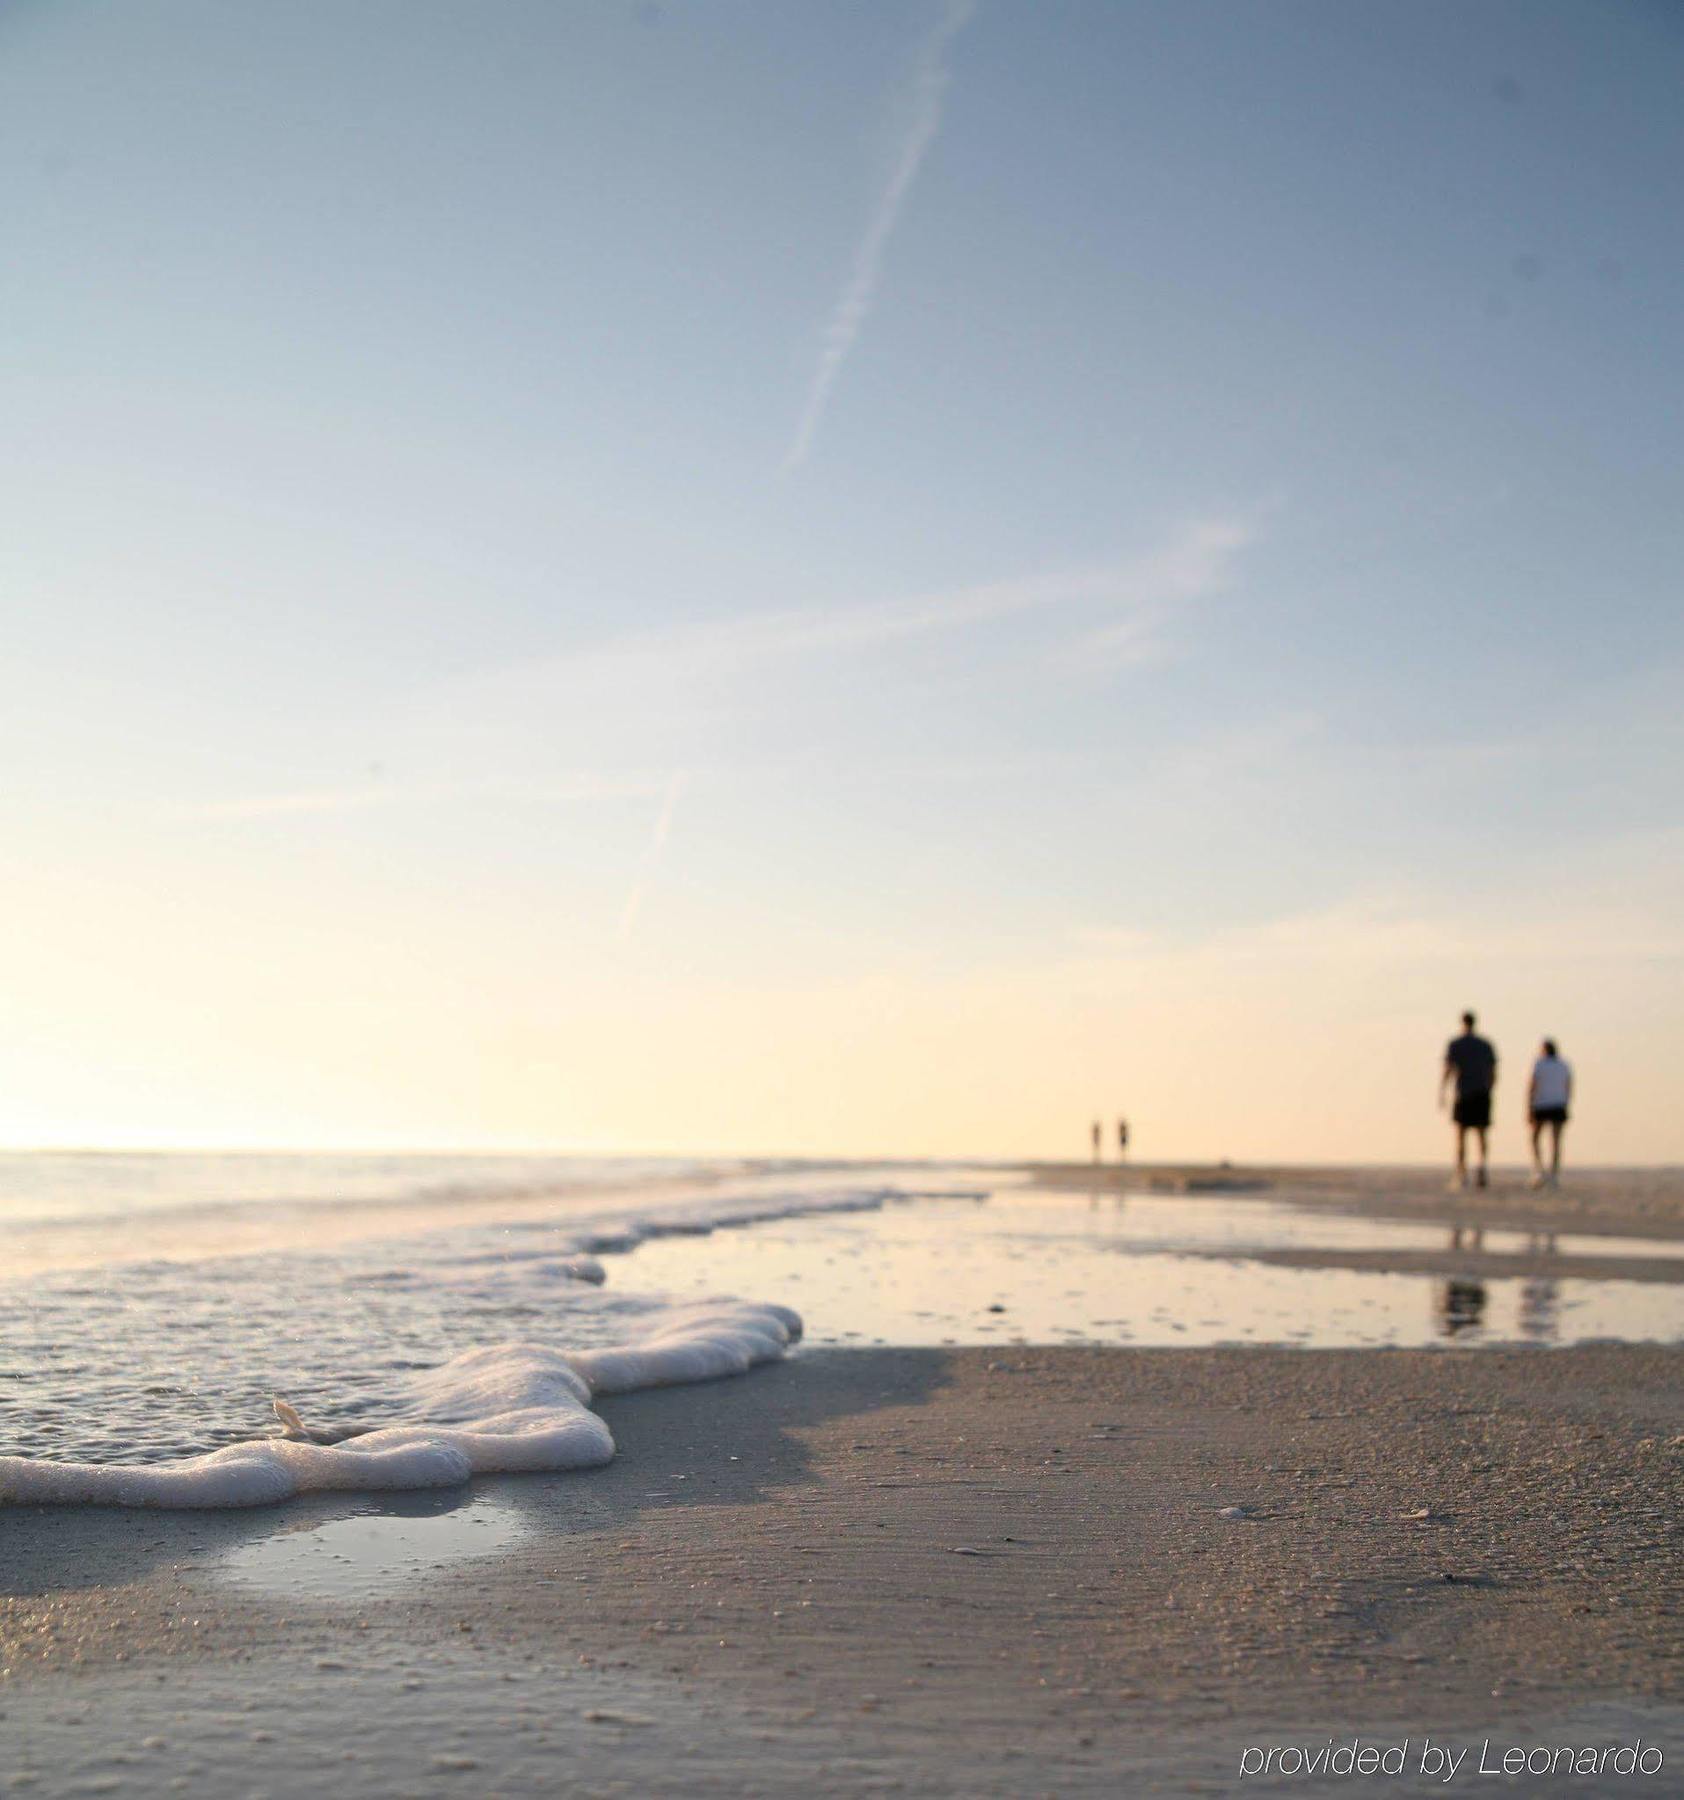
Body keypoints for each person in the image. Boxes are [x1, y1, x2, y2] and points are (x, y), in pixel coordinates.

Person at [1440, 1010, 1497, 1189]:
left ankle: (1462, 1173)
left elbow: (1448, 1068)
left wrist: (1442, 1090)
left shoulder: (1456, 1044)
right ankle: (1481, 1167)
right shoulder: (1485, 1045)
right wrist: (1489, 1089)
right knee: (1481, 1134)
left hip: (1464, 1093)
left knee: (1461, 1135)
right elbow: (1493, 1072)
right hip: (1482, 1093)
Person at [1527, 1038, 1573, 1189]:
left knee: (1535, 1138)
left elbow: (1532, 1085)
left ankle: (1540, 1169)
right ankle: (1553, 1172)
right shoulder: (1564, 1064)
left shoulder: (1539, 1064)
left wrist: (1529, 1106)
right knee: (1556, 1140)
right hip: (1559, 1104)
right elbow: (1569, 1085)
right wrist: (1567, 1102)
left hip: (1541, 1104)